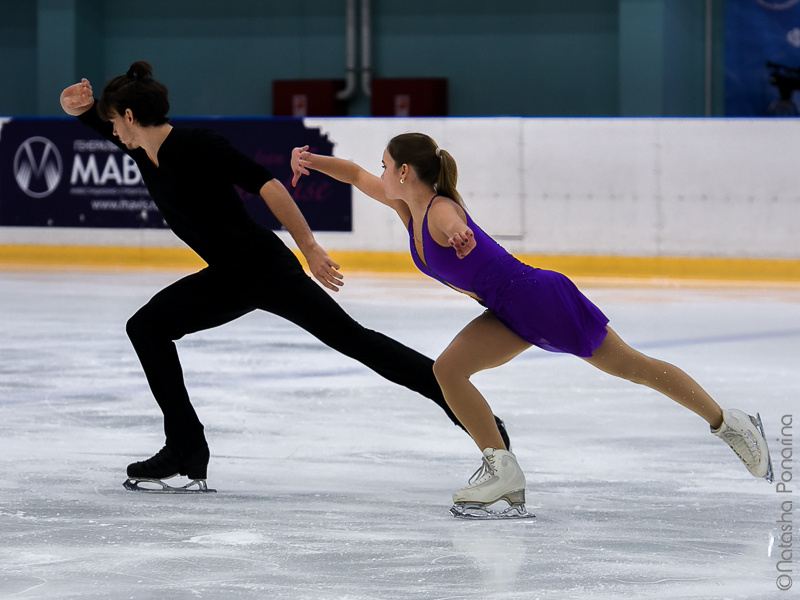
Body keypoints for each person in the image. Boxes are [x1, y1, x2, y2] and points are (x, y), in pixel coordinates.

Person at [59, 62, 510, 493]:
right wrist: (76, 107)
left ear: (132, 117)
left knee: (357, 341)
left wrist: (309, 248)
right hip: (228, 276)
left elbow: (268, 185)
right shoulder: (144, 150)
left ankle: (476, 421)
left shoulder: (198, 144)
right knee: (147, 328)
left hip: (265, 270)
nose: (113, 131)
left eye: (116, 122)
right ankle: (184, 450)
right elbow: (97, 124)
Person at [291, 132, 774, 519]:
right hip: (507, 309)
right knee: (448, 371)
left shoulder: (438, 210)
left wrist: (460, 236)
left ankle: (730, 424)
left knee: (631, 366)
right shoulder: (408, 206)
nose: (377, 171)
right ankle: (501, 468)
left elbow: (454, 224)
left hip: (538, 300)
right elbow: (354, 174)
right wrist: (310, 162)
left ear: (402, 171)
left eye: (384, 164)